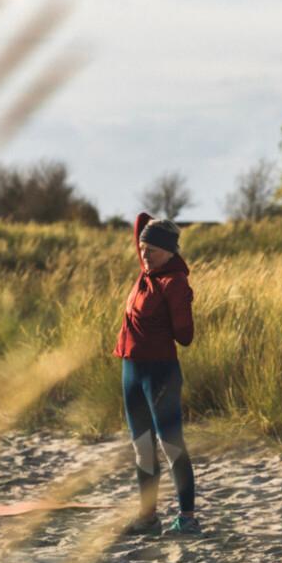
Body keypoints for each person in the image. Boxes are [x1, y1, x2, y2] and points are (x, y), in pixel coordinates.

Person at [112, 212, 199, 535]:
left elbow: (185, 337)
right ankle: (148, 517)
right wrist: (154, 232)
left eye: (152, 250)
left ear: (170, 253)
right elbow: (141, 221)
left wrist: (179, 303)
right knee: (142, 446)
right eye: (142, 248)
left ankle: (187, 518)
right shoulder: (146, 271)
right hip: (130, 370)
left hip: (160, 372)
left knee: (171, 444)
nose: (144, 254)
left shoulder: (174, 282)